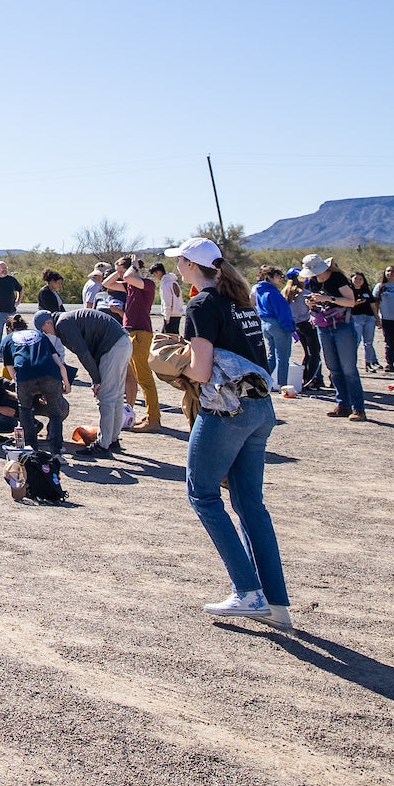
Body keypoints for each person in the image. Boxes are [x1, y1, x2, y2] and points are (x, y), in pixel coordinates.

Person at [169, 237, 288, 627]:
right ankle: (275, 602)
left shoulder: (201, 304)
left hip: (227, 409)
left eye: (180, 262)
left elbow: (201, 372)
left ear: (189, 265)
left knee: (202, 494)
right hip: (260, 407)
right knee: (250, 504)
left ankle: (248, 592)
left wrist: (171, 365)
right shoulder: (240, 300)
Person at [45, 305, 130, 454]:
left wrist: (96, 379)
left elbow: (83, 353)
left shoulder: (62, 325)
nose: (49, 334)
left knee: (106, 398)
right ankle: (113, 440)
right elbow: (92, 350)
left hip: (112, 347)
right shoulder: (68, 319)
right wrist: (95, 379)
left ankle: (103, 445)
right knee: (115, 396)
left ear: (47, 323)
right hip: (121, 343)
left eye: (45, 331)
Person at [298, 254, 368, 422]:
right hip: (324, 325)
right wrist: (312, 303)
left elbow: (350, 302)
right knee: (333, 368)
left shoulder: (337, 278)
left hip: (343, 325)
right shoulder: (314, 281)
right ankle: (343, 404)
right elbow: (319, 301)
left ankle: (358, 408)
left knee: (348, 368)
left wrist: (328, 298)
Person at [105, 259, 162, 431]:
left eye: (122, 270)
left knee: (145, 378)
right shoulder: (129, 285)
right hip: (130, 333)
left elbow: (130, 276)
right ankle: (150, 416)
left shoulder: (147, 284)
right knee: (137, 377)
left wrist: (133, 267)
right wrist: (118, 271)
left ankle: (153, 420)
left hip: (140, 333)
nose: (121, 275)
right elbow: (108, 283)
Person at [0, 314, 69, 453]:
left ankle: (31, 449)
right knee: (55, 413)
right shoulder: (39, 335)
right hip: (50, 374)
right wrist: (66, 383)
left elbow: (12, 373)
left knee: (25, 411)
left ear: (9, 328)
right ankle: (56, 451)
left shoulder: (7, 340)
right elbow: (59, 363)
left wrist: (23, 391)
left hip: (25, 376)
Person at [255, 265, 298, 392]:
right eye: (278, 277)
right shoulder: (273, 293)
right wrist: (291, 329)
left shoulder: (260, 291)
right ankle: (282, 385)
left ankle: (262, 382)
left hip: (266, 325)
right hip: (278, 326)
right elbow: (283, 313)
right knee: (283, 357)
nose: (280, 279)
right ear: (269, 277)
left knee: (271, 355)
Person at [288, 265, 324, 391]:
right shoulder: (306, 294)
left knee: (307, 353)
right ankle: (311, 380)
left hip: (297, 325)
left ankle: (305, 378)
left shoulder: (286, 293)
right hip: (308, 324)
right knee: (314, 352)